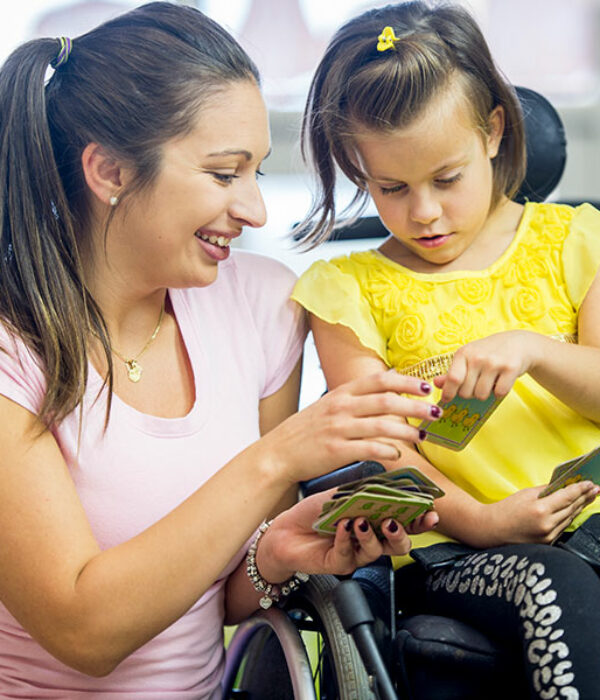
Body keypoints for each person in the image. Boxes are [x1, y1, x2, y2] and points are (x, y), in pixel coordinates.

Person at [0, 3, 445, 698]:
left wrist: (279, 552)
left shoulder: (262, 306)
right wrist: (280, 456)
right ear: (110, 170)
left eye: (258, 173)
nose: (256, 211)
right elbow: (83, 632)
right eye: (223, 173)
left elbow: (224, 597)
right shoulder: (13, 346)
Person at [292, 1, 600, 696]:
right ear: (355, 166)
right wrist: (488, 522)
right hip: (454, 550)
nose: (423, 212)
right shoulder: (346, 290)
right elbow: (382, 452)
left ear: (493, 130)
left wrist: (535, 350)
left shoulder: (579, 241)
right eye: (390, 188)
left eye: (446, 179)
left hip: (592, 515)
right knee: (550, 580)